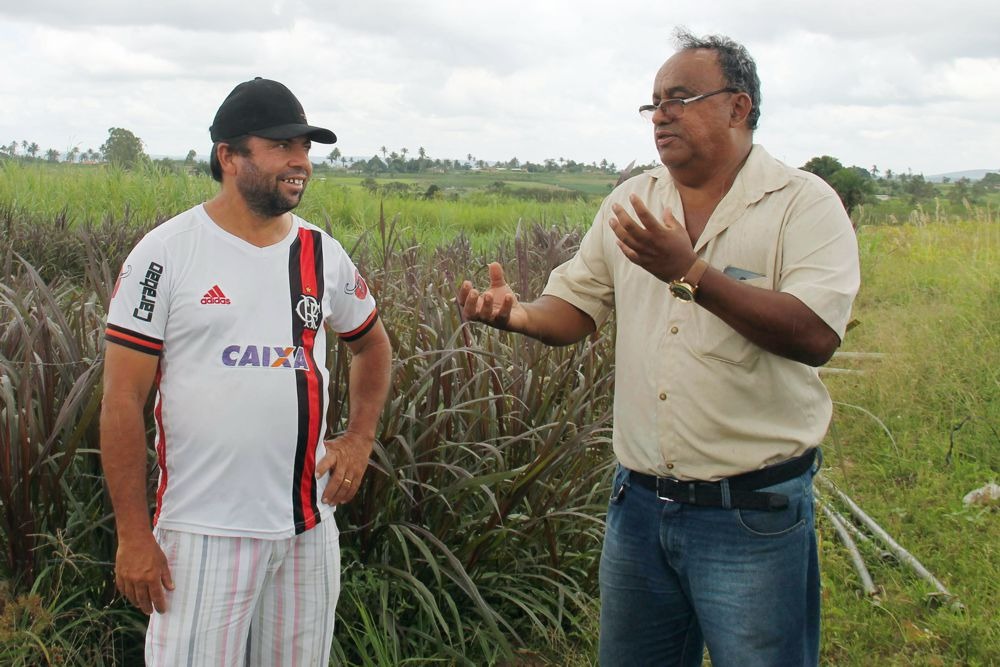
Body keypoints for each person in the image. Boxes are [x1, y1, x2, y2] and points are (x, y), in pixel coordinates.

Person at [458, 29, 859, 666]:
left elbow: (814, 335)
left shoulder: (801, 204)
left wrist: (691, 273)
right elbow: (577, 307)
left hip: (751, 515)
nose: (661, 114)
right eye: (653, 103)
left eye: (680, 97)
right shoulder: (632, 201)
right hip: (639, 508)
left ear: (738, 107)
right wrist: (520, 316)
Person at [100, 77, 392, 665]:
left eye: (306, 147)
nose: (300, 162)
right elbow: (121, 401)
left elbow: (373, 347)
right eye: (283, 145)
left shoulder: (321, 253)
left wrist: (359, 438)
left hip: (307, 528)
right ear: (228, 156)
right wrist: (133, 535)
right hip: (202, 532)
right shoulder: (165, 254)